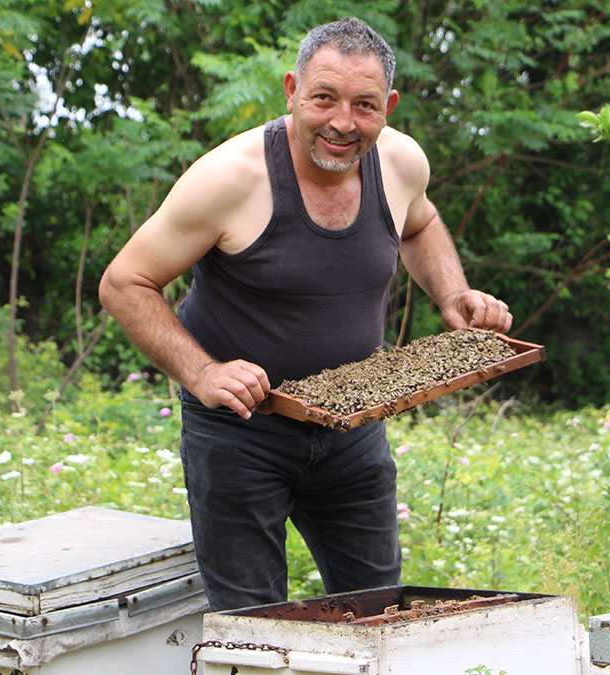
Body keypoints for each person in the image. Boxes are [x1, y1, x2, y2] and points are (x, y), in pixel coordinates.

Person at [98, 17, 511, 611]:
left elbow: (419, 223)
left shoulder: (400, 163)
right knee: (254, 623)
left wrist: (453, 294)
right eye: (324, 98)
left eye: (364, 105)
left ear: (389, 107)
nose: (343, 122)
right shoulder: (230, 178)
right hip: (240, 434)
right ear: (292, 91)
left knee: (376, 611)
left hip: (354, 427)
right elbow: (124, 283)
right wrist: (203, 373)